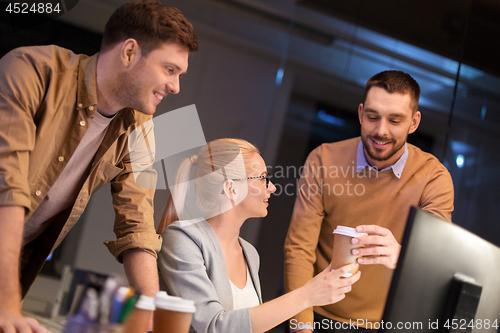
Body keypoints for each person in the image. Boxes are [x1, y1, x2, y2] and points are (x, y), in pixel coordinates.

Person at [0, 1, 198, 332]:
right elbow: (8, 187)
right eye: (169, 70)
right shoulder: (32, 70)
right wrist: (5, 304)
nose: (176, 87)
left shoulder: (139, 126)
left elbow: (136, 224)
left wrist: (151, 317)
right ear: (129, 53)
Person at [283, 70, 454, 332]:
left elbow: (436, 260)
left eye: (395, 120)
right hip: (316, 314)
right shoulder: (323, 160)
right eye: (373, 117)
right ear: (361, 113)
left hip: (385, 324)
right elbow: (299, 249)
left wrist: (402, 254)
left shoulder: (434, 178)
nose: (381, 131)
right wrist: (302, 328)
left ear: (414, 122)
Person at [157, 138, 360, 333]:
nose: (272, 187)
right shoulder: (182, 240)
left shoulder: (249, 253)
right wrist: (308, 295)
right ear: (231, 188)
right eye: (263, 178)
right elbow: (214, 327)